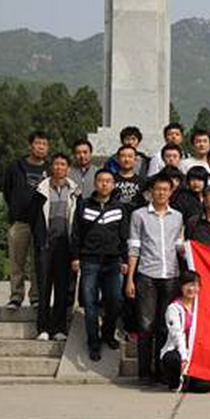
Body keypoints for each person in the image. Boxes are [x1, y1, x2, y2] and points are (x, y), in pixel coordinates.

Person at [126, 174, 184, 384]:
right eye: (157, 189)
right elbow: (134, 247)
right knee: (145, 325)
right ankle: (144, 372)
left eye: (165, 189)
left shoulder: (177, 217)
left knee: (164, 325)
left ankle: (161, 371)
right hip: (147, 275)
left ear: (171, 192)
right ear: (151, 192)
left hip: (171, 276)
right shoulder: (139, 215)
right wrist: (130, 279)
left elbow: (179, 245)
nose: (161, 193)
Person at [70, 169, 128, 361]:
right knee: (90, 303)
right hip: (90, 260)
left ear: (113, 185)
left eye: (108, 181)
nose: (104, 184)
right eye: (101, 181)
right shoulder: (83, 205)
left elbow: (124, 235)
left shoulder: (120, 208)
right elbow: (76, 233)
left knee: (116, 300)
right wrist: (75, 257)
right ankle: (93, 342)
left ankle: (108, 333)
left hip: (113, 261)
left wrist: (125, 259)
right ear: (95, 184)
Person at [29, 153, 81, 341]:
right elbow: (34, 217)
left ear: (68, 168)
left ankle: (59, 328)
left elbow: (78, 221)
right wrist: (39, 239)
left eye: (63, 164)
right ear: (51, 167)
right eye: (56, 164)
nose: (59, 167)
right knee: (44, 287)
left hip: (65, 245)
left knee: (62, 287)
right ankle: (43, 327)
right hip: (45, 244)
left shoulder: (75, 191)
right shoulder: (40, 190)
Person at [1, 131, 50, 310]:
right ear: (31, 145)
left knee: (38, 262)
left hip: (40, 223)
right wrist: (15, 210)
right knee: (17, 261)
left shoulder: (50, 169)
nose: (41, 147)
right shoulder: (16, 167)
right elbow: (7, 190)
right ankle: (16, 297)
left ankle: (35, 297)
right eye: (38, 143)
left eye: (44, 144)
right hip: (20, 221)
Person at [160, 271, 210, 392]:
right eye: (187, 285)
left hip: (198, 353)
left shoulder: (202, 307)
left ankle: (189, 381)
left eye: (195, 285)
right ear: (181, 287)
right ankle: (175, 382)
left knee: (202, 387)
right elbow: (177, 335)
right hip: (179, 351)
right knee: (171, 358)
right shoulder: (173, 308)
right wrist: (184, 357)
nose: (191, 289)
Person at [113, 145, 147, 211]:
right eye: (123, 156)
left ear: (135, 159)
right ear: (118, 159)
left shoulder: (142, 181)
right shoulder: (111, 180)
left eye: (130, 156)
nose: (127, 159)